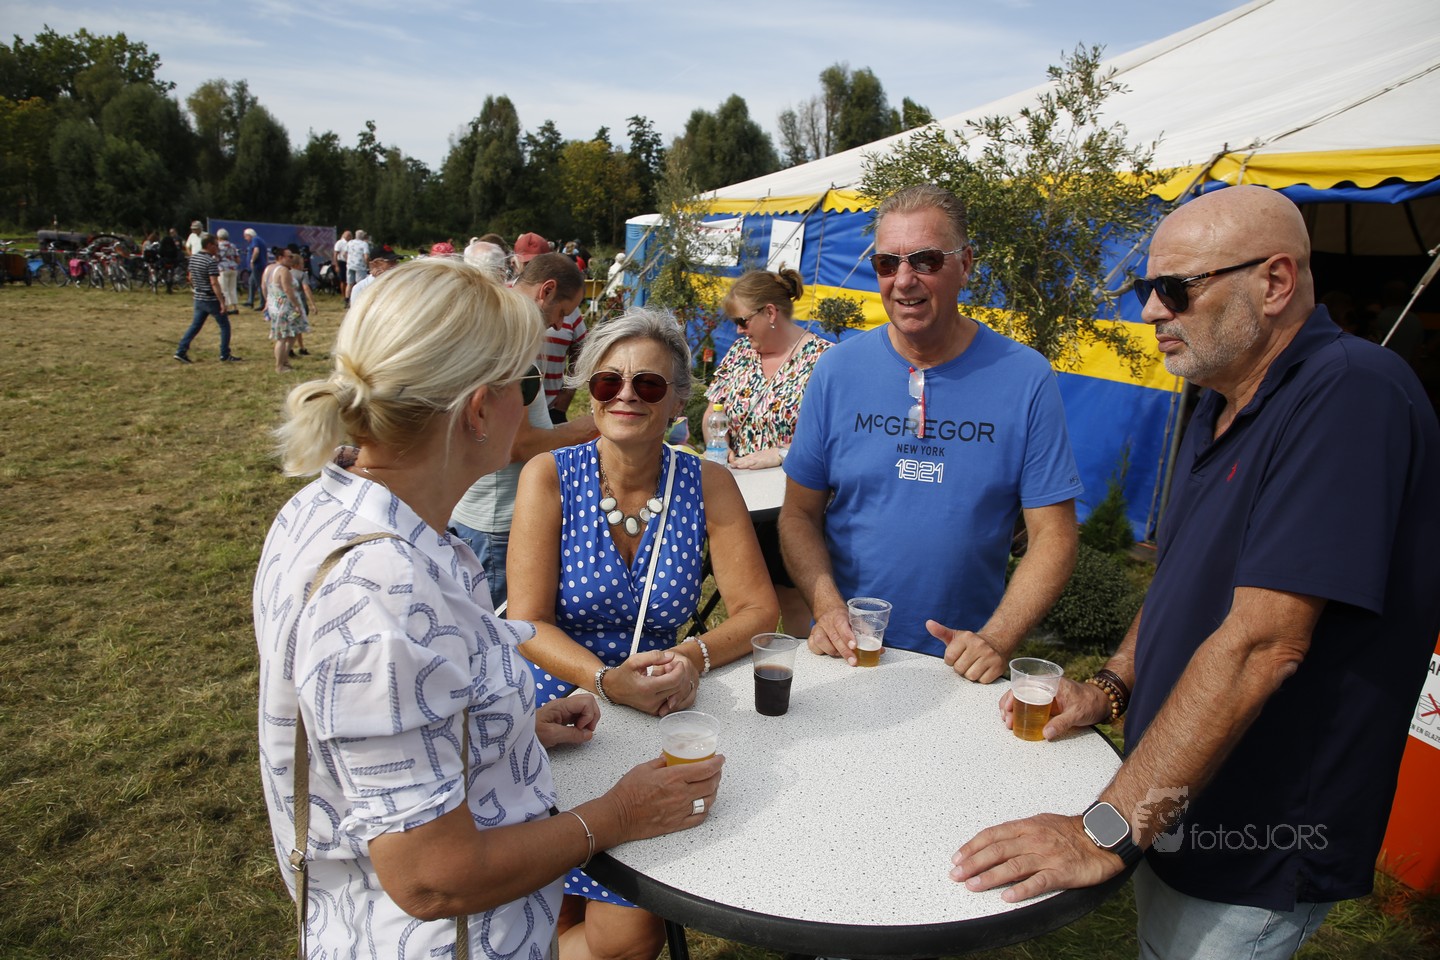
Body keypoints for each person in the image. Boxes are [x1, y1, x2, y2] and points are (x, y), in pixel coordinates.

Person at [952, 185, 1440, 960]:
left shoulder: (1351, 392)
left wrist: (1104, 829)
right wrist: (1111, 686)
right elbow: (1182, 580)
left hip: (1260, 837)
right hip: (1178, 804)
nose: (1151, 310)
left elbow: (1262, 644)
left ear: (1274, 282)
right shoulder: (1220, 402)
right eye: (1146, 289)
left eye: (1176, 289)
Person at [254, 257, 723, 960]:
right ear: (479, 409)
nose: (538, 408)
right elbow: (434, 880)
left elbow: (380, 740)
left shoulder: (323, 511)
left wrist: (506, 732)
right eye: (526, 386)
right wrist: (616, 814)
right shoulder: (384, 594)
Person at [507, 306, 778, 960]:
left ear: (679, 401)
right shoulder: (550, 474)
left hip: (654, 715)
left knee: (626, 938)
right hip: (554, 718)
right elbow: (527, 621)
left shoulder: (707, 482)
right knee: (538, 912)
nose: (625, 395)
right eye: (608, 382)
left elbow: (757, 610)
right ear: (590, 394)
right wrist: (605, 682)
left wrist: (690, 657)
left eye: (648, 384)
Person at [779, 183, 1081, 675]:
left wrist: (997, 638)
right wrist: (827, 607)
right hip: (849, 652)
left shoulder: (1025, 377)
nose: (904, 281)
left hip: (962, 664)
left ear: (965, 264)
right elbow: (797, 515)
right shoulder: (837, 370)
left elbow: (1054, 535)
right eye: (886, 264)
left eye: (925, 260)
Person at [450, 252, 598, 609]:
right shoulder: (510, 343)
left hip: (478, 511)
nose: (560, 325)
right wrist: (584, 429)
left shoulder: (492, 327)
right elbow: (517, 445)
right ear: (546, 291)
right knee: (497, 623)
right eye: (563, 312)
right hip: (495, 520)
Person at [709, 267, 831, 636]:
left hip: (793, 503)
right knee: (744, 598)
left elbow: (835, 438)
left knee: (790, 596)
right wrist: (719, 440)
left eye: (742, 321)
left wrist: (780, 454)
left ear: (770, 312)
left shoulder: (824, 359)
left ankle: (798, 660)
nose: (738, 331)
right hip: (739, 501)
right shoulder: (740, 353)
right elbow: (715, 408)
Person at [174, 233, 241, 364]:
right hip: (210, 299)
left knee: (195, 326)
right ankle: (225, 353)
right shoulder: (210, 261)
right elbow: (214, 283)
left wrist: (198, 288)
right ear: (209, 245)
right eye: (216, 245)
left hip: (199, 297)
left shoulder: (193, 258)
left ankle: (181, 350)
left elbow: (190, 277)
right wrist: (222, 301)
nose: (217, 248)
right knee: (225, 326)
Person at [263, 246, 305, 373]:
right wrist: (296, 305)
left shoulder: (268, 269)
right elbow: (287, 289)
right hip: (285, 307)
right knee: (282, 337)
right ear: (280, 257)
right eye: (289, 257)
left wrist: (267, 301)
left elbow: (263, 287)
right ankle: (279, 366)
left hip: (274, 306)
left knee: (292, 332)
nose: (292, 259)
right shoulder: (283, 270)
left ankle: (284, 360)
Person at [215, 228, 241, 314]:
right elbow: (237, 259)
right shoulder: (232, 245)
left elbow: (217, 258)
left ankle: (226, 307)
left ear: (218, 237)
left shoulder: (218, 246)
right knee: (232, 288)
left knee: (224, 289)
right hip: (233, 269)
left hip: (223, 269)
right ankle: (235, 307)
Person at [244, 227, 268, 310]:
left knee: (259, 284)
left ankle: (262, 303)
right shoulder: (260, 240)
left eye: (246, 236)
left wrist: (252, 260)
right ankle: (250, 301)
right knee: (251, 282)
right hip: (260, 265)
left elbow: (256, 251)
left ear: (249, 235)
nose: (245, 238)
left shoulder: (255, 240)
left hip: (257, 266)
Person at [346, 229, 371, 301]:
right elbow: (366, 256)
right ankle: (359, 299)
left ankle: (347, 299)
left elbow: (345, 253)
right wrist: (368, 265)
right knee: (360, 284)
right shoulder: (364, 244)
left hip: (350, 265)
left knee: (349, 284)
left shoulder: (350, 242)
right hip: (360, 266)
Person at [334, 229, 351, 302]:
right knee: (342, 280)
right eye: (348, 235)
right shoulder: (339, 243)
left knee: (348, 280)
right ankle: (343, 296)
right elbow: (335, 254)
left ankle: (348, 296)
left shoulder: (350, 243)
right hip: (341, 262)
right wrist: (336, 265)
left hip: (349, 263)